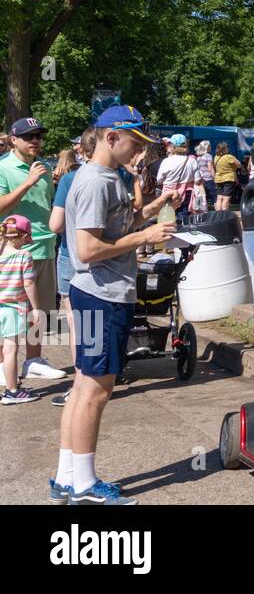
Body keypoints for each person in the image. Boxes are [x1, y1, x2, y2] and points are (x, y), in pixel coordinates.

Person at [51, 105, 176, 505]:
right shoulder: (94, 182)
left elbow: (111, 228)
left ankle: (67, 477)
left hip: (91, 293)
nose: (139, 151)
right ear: (110, 137)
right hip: (100, 296)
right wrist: (145, 237)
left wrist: (146, 215)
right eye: (134, 142)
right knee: (95, 390)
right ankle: (84, 485)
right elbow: (86, 249)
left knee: (82, 385)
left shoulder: (107, 177)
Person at [0, 117, 64, 382]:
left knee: (40, 310)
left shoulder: (45, 167)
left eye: (39, 136)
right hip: (12, 251)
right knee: (9, 310)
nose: (36, 141)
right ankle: (4, 364)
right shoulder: (3, 167)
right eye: (29, 136)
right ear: (13, 140)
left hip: (44, 246)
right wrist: (27, 182)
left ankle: (34, 360)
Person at [48, 128, 99, 407]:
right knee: (98, 320)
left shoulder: (70, 179)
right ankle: (100, 378)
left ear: (82, 149)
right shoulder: (120, 176)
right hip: (109, 259)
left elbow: (56, 225)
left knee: (78, 323)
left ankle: (81, 385)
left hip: (73, 255)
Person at [1, 215, 42, 404]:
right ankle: (12, 391)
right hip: (12, 308)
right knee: (10, 350)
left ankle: (10, 385)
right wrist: (36, 308)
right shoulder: (23, 256)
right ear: (23, 236)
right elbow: (29, 284)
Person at [156, 134, 198, 222]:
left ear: (172, 146)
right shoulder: (192, 161)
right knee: (184, 218)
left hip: (169, 193)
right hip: (187, 194)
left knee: (168, 218)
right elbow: (198, 180)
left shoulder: (166, 161)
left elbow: (159, 180)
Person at [213, 142, 242, 211]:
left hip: (218, 179)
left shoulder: (216, 157)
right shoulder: (229, 157)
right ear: (225, 149)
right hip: (228, 179)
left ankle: (219, 215)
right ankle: (224, 215)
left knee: (219, 198)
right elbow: (239, 165)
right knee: (226, 198)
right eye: (227, 147)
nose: (228, 148)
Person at [194, 140, 217, 210]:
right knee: (215, 198)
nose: (210, 147)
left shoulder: (197, 157)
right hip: (209, 179)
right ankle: (219, 214)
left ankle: (198, 213)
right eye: (209, 146)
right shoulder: (208, 156)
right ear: (207, 147)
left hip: (200, 180)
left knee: (201, 197)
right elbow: (210, 168)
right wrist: (215, 179)